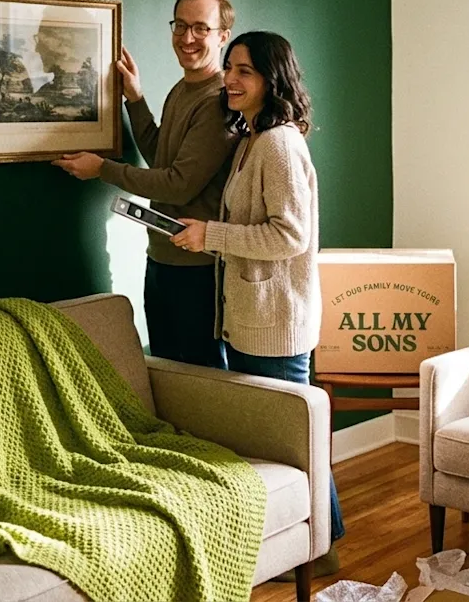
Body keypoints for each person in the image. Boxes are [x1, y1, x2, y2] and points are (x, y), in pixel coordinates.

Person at [169, 31, 344, 575]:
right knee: (276, 439)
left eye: (244, 71)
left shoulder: (278, 144)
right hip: (253, 316)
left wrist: (212, 236)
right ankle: (309, 538)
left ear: (273, 79)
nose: (231, 80)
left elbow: (289, 235)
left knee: (295, 443)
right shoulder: (251, 137)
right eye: (229, 69)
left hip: (278, 321)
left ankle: (320, 548)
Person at [53, 0, 237, 369]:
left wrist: (103, 169)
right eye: (180, 26)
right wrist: (135, 100)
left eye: (201, 28)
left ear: (223, 36)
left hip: (197, 269)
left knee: (202, 378)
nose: (187, 38)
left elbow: (177, 183)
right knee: (167, 371)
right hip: (163, 257)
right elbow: (160, 159)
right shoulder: (183, 89)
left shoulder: (217, 102)